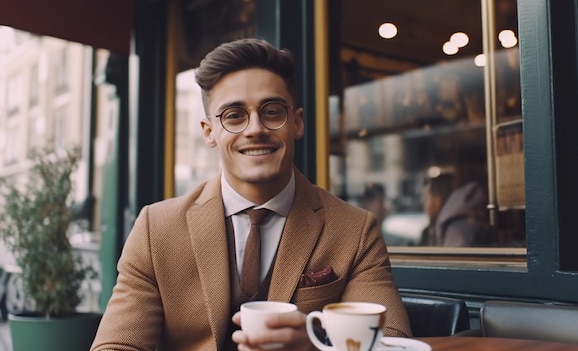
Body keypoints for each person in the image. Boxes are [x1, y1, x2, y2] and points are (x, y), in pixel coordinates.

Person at [91, 38, 411, 351]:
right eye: (234, 115)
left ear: (297, 123)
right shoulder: (155, 229)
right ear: (209, 131)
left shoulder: (355, 231)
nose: (254, 128)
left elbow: (394, 342)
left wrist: (316, 348)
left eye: (272, 112)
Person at [420, 171, 489, 247]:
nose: (424, 207)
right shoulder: (449, 225)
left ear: (438, 200)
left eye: (426, 199)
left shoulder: (457, 228)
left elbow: (452, 258)